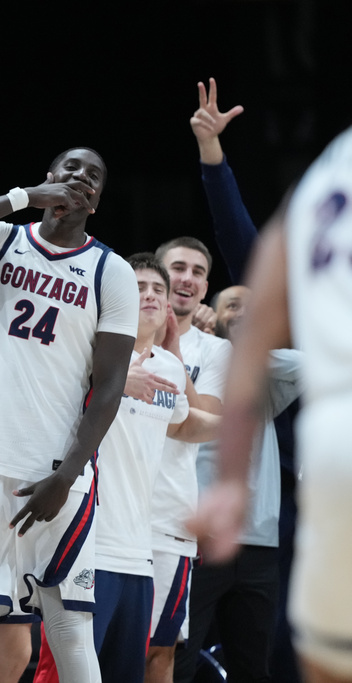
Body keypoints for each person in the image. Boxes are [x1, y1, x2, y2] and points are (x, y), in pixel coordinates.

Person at [0, 146, 138, 683]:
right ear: (50, 179)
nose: (80, 178)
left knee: (71, 630)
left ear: (96, 202)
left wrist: (68, 474)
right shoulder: (5, 240)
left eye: (94, 176)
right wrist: (22, 198)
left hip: (59, 473)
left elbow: (111, 383)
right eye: (70, 169)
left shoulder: (110, 271)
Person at [189, 122, 352, 683]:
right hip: (235, 510)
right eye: (227, 305)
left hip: (300, 484)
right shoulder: (205, 352)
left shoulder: (330, 168)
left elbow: (249, 253)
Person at [31, 253, 220, 683]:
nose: (150, 295)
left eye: (158, 289)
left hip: (141, 553)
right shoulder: (85, 353)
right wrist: (111, 382)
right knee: (62, 674)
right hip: (85, 544)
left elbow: (185, 423)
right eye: (138, 288)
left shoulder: (170, 368)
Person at [190, 77, 304, 683]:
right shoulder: (229, 346)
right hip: (253, 500)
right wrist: (213, 157)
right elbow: (241, 243)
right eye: (227, 305)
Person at [143, 235, 230, 682]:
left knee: (161, 650)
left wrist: (173, 353)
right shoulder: (116, 335)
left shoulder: (215, 350)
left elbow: (205, 421)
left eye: (198, 272)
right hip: (111, 511)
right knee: (92, 644)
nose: (186, 279)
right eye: (177, 268)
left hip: (171, 513)